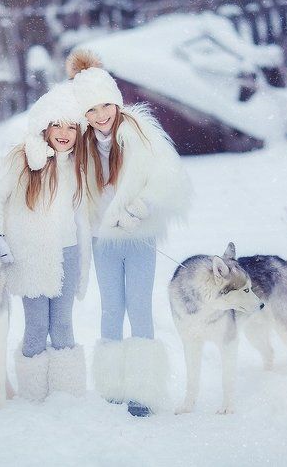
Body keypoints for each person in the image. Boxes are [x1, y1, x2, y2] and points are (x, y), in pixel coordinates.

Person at [66, 49, 191, 416]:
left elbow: (168, 177)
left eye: (105, 106)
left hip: (137, 237)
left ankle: (143, 388)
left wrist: (141, 207)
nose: (101, 116)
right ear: (83, 115)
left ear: (116, 102)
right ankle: (113, 384)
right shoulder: (83, 145)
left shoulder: (140, 132)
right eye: (91, 110)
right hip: (104, 241)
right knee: (111, 310)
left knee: (139, 308)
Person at [0, 80, 91, 401]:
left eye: (71, 127)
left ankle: (66, 393)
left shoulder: (78, 164)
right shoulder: (22, 159)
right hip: (32, 257)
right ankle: (34, 395)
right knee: (35, 329)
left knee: (62, 328)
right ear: (44, 127)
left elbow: (84, 214)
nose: (63, 132)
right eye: (56, 124)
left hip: (68, 254)